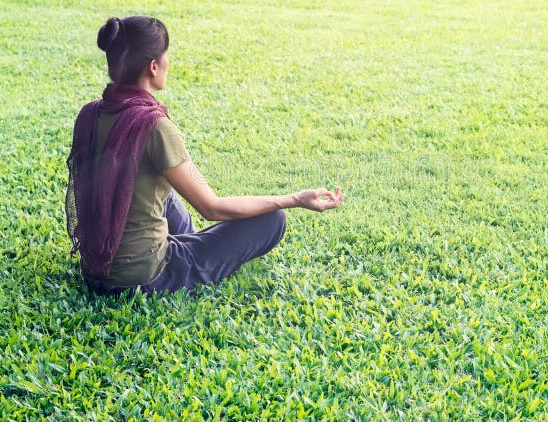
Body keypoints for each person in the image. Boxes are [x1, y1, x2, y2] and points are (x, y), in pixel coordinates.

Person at [65, 15, 345, 295]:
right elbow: (212, 208)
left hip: (95, 267)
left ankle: (191, 242)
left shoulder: (90, 113)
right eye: (166, 56)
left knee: (167, 194)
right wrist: (295, 199)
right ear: (153, 67)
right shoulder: (154, 127)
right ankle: (192, 252)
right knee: (273, 220)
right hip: (143, 275)